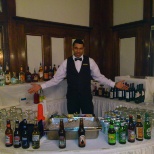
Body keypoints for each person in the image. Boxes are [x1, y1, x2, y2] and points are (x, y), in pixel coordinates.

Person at [28, 39, 128, 114]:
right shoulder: (66, 62)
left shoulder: (90, 61)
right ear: (73, 48)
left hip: (86, 97)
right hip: (72, 98)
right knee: (73, 122)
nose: (78, 51)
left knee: (89, 121)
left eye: (80, 48)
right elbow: (56, 80)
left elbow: (99, 77)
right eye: (76, 48)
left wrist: (114, 84)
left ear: (83, 49)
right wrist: (41, 86)